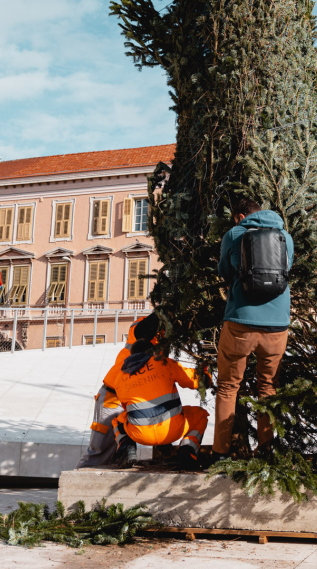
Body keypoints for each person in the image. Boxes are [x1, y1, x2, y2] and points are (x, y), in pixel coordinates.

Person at [213, 198, 294, 458]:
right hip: (277, 323)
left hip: (240, 320)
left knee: (228, 387)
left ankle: (220, 452)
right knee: (268, 387)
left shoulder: (234, 234)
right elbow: (287, 270)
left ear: (239, 216)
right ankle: (267, 449)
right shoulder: (285, 236)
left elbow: (224, 271)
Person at [110, 338, 208, 471]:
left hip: (140, 435)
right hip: (173, 430)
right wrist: (205, 374)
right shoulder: (163, 363)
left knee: (118, 421)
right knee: (201, 415)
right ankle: (187, 449)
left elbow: (127, 409)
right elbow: (194, 381)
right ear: (153, 352)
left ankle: (127, 449)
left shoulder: (120, 378)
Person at [76, 314, 159, 468]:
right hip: (113, 397)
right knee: (98, 452)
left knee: (117, 455)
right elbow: (144, 328)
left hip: (128, 399)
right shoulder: (141, 326)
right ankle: (76, 480)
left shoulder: (158, 339)